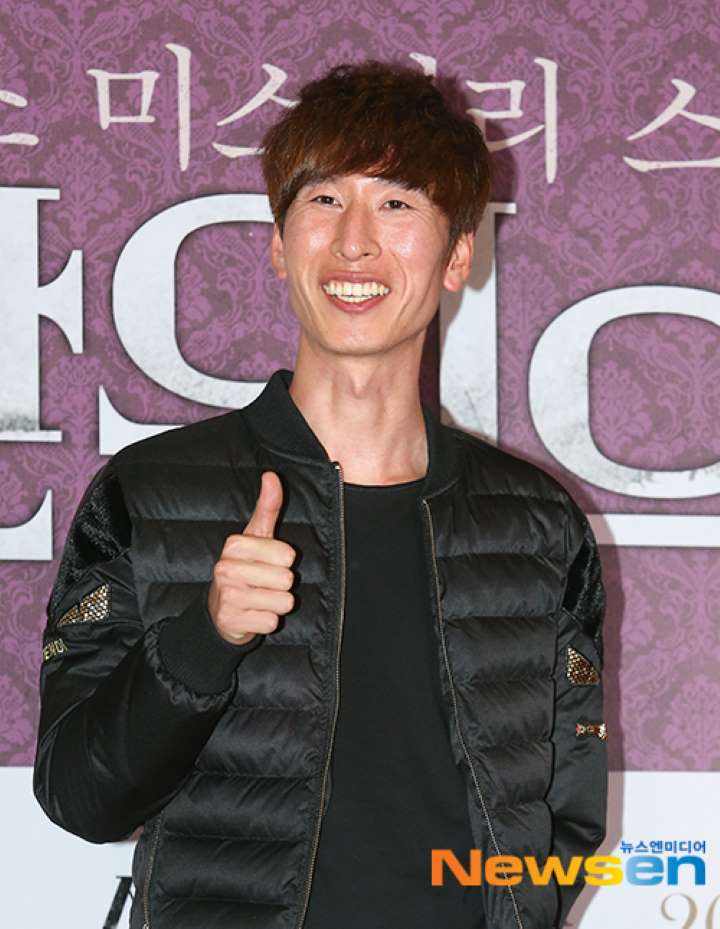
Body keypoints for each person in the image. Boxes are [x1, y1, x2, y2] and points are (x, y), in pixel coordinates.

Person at [33, 61, 608, 929]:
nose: (355, 242)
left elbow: (565, 810)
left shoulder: (538, 525)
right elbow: (80, 794)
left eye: (397, 202)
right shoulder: (149, 495)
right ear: (278, 242)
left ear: (458, 254)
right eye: (326, 200)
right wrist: (205, 636)